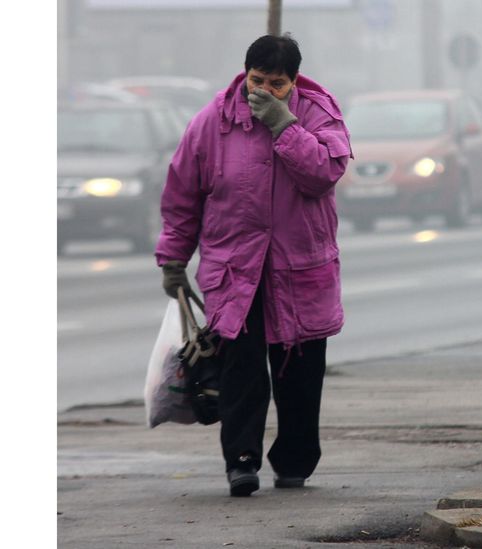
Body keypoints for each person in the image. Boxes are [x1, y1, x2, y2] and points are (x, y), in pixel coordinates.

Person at [154, 34, 352, 496]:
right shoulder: (212, 123)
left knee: (298, 372)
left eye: (276, 84)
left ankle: (295, 460)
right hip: (234, 270)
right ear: (244, 74)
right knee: (241, 372)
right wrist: (174, 259)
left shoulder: (318, 114)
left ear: (293, 82)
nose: (263, 90)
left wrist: (286, 127)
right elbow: (182, 196)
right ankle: (240, 461)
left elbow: (323, 174)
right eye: (256, 80)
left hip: (299, 269)